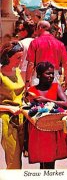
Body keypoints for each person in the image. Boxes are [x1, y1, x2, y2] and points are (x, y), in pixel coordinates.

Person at [26, 61, 67, 169]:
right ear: (39, 75)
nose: (51, 76)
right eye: (48, 73)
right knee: (42, 160)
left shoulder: (56, 87)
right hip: (37, 131)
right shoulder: (32, 90)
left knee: (50, 161)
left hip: (52, 129)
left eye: (52, 73)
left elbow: (66, 104)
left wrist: (45, 100)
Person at [0, 41, 25, 169]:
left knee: (20, 160)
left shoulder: (17, 72)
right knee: (13, 161)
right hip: (7, 121)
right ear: (7, 57)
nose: (21, 61)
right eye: (18, 58)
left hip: (22, 119)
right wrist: (8, 108)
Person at [25, 20, 67, 89]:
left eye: (36, 29)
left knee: (38, 98)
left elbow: (31, 64)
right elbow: (66, 64)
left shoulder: (35, 42)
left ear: (40, 28)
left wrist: (27, 81)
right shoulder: (59, 44)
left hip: (38, 76)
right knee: (52, 98)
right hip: (54, 76)